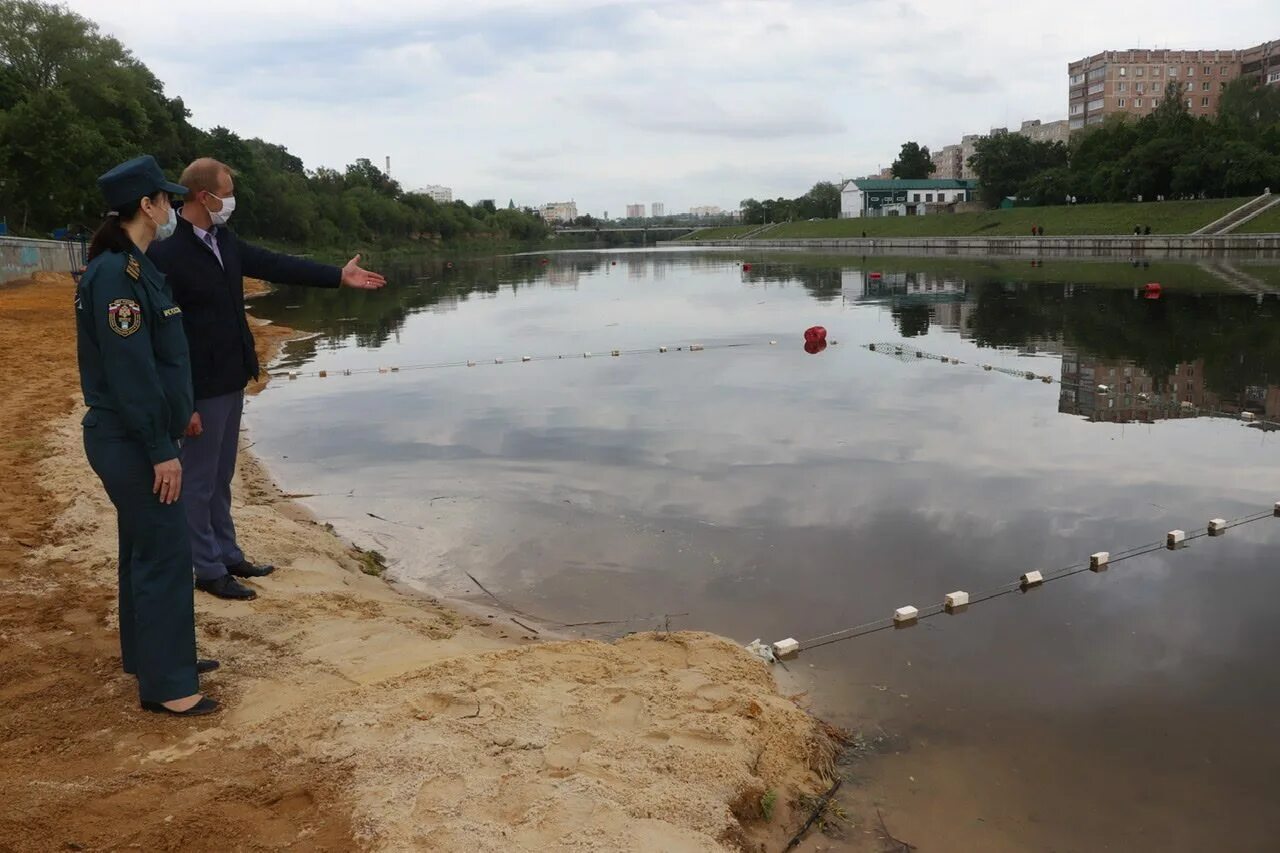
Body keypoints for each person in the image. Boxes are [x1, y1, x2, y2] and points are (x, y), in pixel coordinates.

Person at [148, 158, 386, 601]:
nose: (232, 200)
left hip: (232, 377)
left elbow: (277, 265)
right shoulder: (167, 254)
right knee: (198, 480)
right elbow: (163, 338)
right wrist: (181, 402)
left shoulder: (224, 240)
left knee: (221, 475)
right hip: (198, 388)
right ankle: (206, 568)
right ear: (204, 196)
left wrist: (338, 275)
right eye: (228, 190)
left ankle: (227, 552)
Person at [76, 155, 218, 717]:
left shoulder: (137, 266)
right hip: (132, 440)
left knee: (142, 546)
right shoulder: (117, 274)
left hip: (138, 432)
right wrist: (162, 450)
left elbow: (159, 362)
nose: (170, 205)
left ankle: (154, 656)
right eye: (164, 197)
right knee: (163, 548)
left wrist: (179, 412)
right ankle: (170, 688)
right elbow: (130, 372)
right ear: (147, 206)